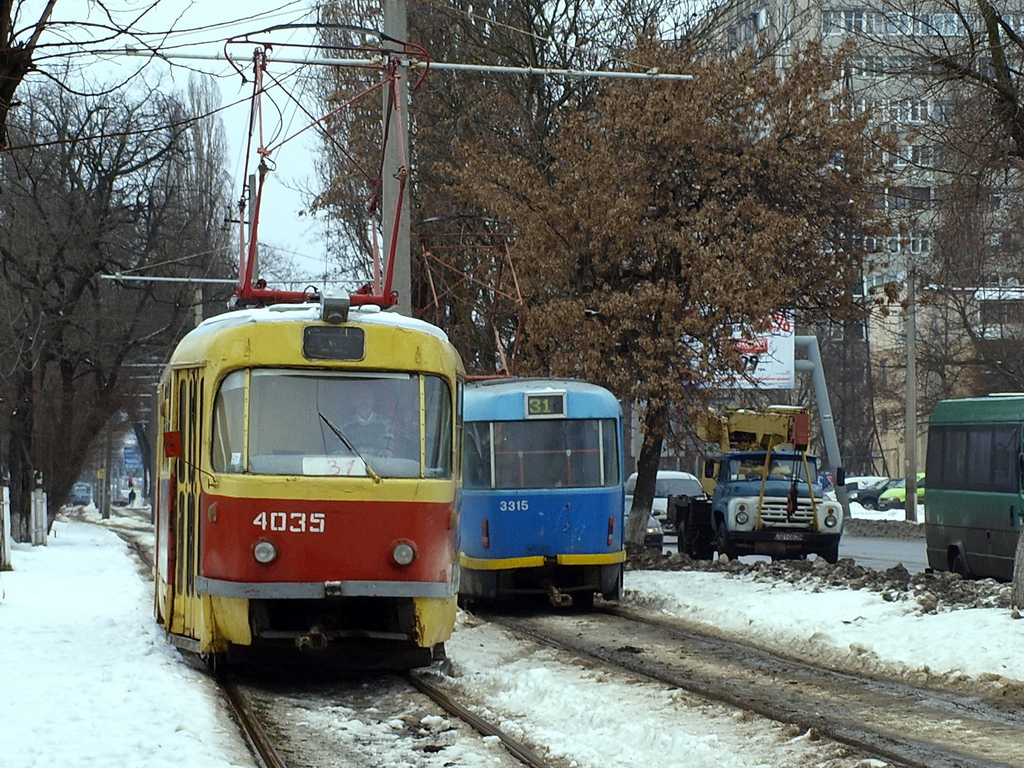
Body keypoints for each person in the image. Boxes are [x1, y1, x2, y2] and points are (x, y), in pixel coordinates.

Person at [340, 387, 394, 458]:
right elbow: (339, 453)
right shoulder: (345, 426)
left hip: (377, 467)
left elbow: (386, 451)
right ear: (353, 402)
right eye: (359, 397)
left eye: (367, 397)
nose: (364, 400)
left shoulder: (385, 424)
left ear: (373, 400)